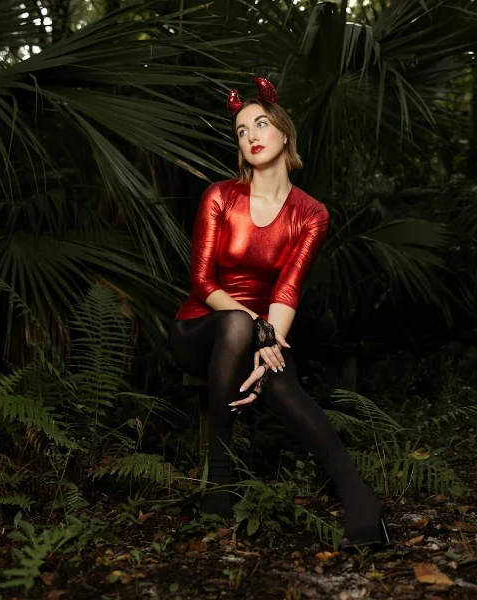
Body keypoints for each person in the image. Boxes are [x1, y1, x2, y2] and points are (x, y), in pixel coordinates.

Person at [167, 77, 389, 550]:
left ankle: (357, 498)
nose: (251, 135)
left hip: (262, 327)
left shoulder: (311, 213)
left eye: (260, 123)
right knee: (235, 324)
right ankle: (222, 479)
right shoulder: (219, 196)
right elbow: (203, 283)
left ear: (284, 133)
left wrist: (268, 344)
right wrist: (256, 329)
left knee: (278, 375)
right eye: (242, 130)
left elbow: (288, 287)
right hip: (201, 326)